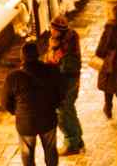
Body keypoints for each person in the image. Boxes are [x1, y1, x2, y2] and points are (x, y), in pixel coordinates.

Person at [3, 40, 64, 166]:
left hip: (26, 122)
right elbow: (61, 93)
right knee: (50, 150)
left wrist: (17, 112)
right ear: (38, 55)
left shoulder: (13, 77)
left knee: (27, 154)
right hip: (48, 118)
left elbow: (4, 102)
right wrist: (54, 105)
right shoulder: (51, 71)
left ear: (22, 58)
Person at [44, 20, 85, 156]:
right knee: (69, 111)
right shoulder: (57, 41)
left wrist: (53, 61)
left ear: (60, 31)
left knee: (64, 114)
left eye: (54, 29)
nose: (51, 31)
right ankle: (77, 140)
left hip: (66, 85)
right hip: (63, 84)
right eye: (51, 28)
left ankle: (72, 144)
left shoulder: (68, 48)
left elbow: (66, 68)